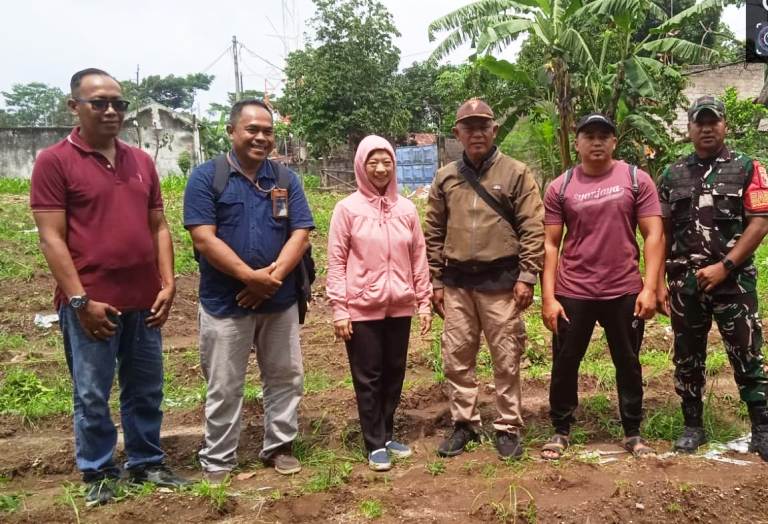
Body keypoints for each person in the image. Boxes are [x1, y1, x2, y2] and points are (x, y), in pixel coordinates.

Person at [30, 68, 188, 506]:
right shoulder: (55, 161)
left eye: (118, 102)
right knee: (92, 392)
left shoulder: (140, 161)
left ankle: (146, 462)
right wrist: (80, 300)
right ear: (74, 107)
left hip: (144, 300)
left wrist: (169, 283)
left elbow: (158, 225)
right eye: (99, 102)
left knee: (146, 388)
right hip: (92, 304)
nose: (111, 110)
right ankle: (98, 471)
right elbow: (51, 237)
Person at [183, 99, 314, 480]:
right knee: (224, 384)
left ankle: (280, 446)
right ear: (231, 131)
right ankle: (220, 458)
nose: (261, 137)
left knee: (285, 376)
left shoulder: (285, 180)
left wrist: (269, 281)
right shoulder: (207, 178)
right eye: (252, 129)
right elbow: (204, 239)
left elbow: (301, 233)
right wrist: (248, 277)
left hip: (280, 300)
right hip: (225, 303)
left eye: (267, 131)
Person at [424, 99, 544, 460]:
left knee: (506, 357)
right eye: (468, 126)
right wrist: (436, 280)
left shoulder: (516, 173)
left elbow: (532, 227)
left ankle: (508, 425)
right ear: (457, 133)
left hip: (501, 282)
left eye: (483, 126)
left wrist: (527, 276)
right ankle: (465, 424)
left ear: (494, 130)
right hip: (458, 283)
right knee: (457, 357)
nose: (476, 133)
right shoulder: (446, 177)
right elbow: (433, 229)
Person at [539, 113, 664, 459]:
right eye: (588, 135)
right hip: (573, 291)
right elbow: (550, 244)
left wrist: (650, 287)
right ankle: (561, 430)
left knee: (628, 361)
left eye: (603, 136)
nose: (596, 142)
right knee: (565, 362)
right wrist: (548, 297)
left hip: (623, 290)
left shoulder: (636, 179)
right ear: (577, 142)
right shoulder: (560, 186)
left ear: (614, 142)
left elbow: (654, 234)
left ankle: (633, 432)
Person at [657, 96, 768, 459]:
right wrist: (658, 280)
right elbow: (662, 232)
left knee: (747, 353)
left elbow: (760, 223)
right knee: (688, 357)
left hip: (734, 281)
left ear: (724, 125)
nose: (706, 128)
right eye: (699, 122)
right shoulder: (672, 174)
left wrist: (726, 266)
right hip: (685, 284)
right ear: (689, 128)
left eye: (713, 121)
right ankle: (693, 427)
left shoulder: (748, 168)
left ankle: (762, 429)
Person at [326, 135, 432, 471]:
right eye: (373, 161)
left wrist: (424, 300)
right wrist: (340, 309)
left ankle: (386, 434)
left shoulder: (407, 209)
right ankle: (373, 443)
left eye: (387, 161)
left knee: (394, 373)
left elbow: (418, 257)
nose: (381, 168)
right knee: (368, 376)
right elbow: (337, 260)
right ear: (361, 165)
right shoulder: (347, 210)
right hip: (362, 308)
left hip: (399, 305)